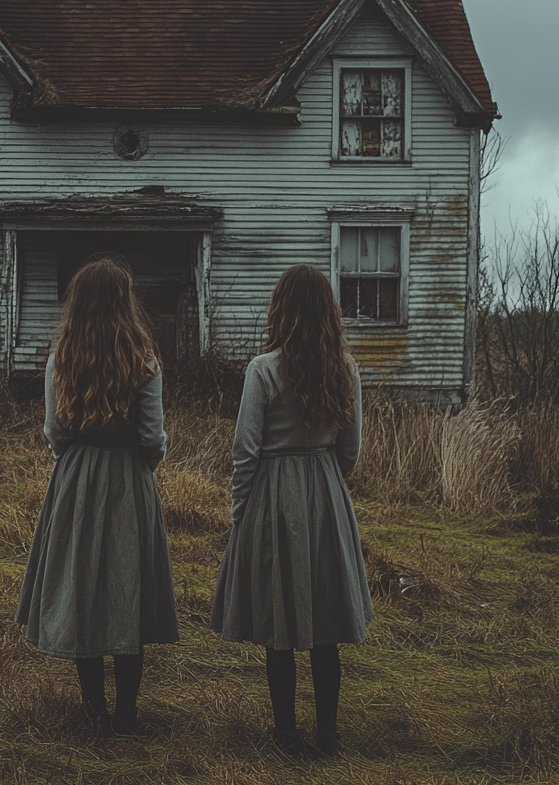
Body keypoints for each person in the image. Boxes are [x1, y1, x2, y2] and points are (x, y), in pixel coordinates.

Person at [210, 264, 373, 756]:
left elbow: (245, 449)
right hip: (325, 492)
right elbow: (351, 449)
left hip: (273, 498)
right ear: (329, 311)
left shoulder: (262, 370)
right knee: (326, 624)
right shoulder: (344, 367)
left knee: (279, 625)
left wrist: (241, 513)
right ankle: (328, 735)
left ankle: (285, 733)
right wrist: (325, 486)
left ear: (280, 309)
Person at [15, 256, 179, 736]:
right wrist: (138, 467)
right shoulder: (144, 361)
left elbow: (56, 432)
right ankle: (127, 713)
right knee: (127, 589)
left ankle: (94, 710)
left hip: (78, 478)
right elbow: (153, 438)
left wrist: (76, 465)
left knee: (84, 590)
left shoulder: (61, 360)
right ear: (123, 302)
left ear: (78, 303)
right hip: (129, 477)